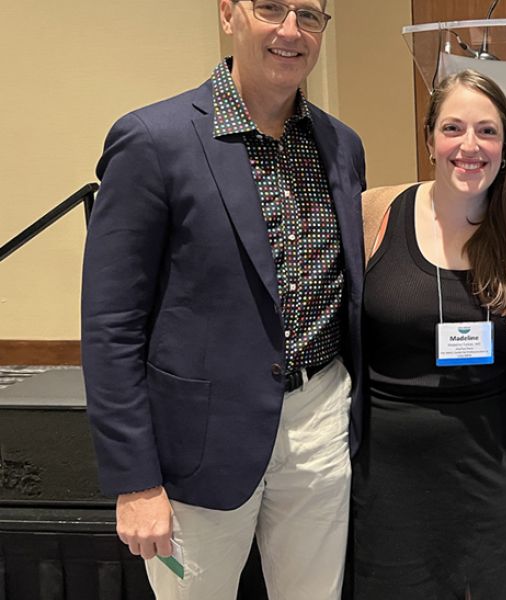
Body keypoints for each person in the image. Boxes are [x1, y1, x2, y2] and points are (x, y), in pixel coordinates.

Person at [81, 1, 365, 598]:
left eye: (309, 15)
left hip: (319, 422)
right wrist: (135, 482)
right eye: (270, 8)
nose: (290, 30)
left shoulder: (341, 146)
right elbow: (111, 325)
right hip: (197, 448)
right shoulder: (152, 141)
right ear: (229, 13)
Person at [351, 69, 506, 600]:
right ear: (429, 139)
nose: (470, 146)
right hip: (385, 481)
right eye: (453, 129)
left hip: (490, 479)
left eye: (487, 131)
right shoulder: (373, 214)